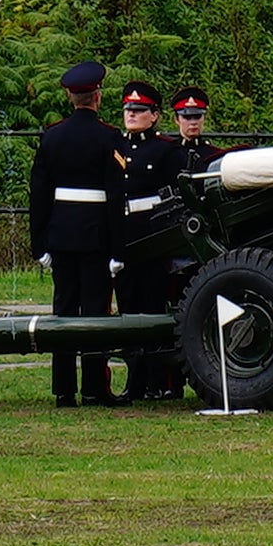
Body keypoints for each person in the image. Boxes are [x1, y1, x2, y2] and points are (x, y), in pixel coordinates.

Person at [26, 57, 127, 410]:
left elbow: (39, 194)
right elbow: (116, 197)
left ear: (71, 97)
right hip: (97, 235)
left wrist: (39, 243)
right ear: (97, 96)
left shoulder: (53, 136)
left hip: (62, 234)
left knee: (63, 311)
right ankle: (95, 388)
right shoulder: (109, 136)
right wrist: (119, 249)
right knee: (95, 313)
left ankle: (64, 389)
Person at [114, 85, 195, 404]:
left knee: (152, 306)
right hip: (123, 232)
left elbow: (178, 194)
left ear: (155, 116)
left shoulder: (165, 150)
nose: (131, 114)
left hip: (152, 232)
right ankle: (134, 380)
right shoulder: (115, 146)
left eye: (139, 110)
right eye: (127, 110)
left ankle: (158, 380)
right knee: (127, 308)